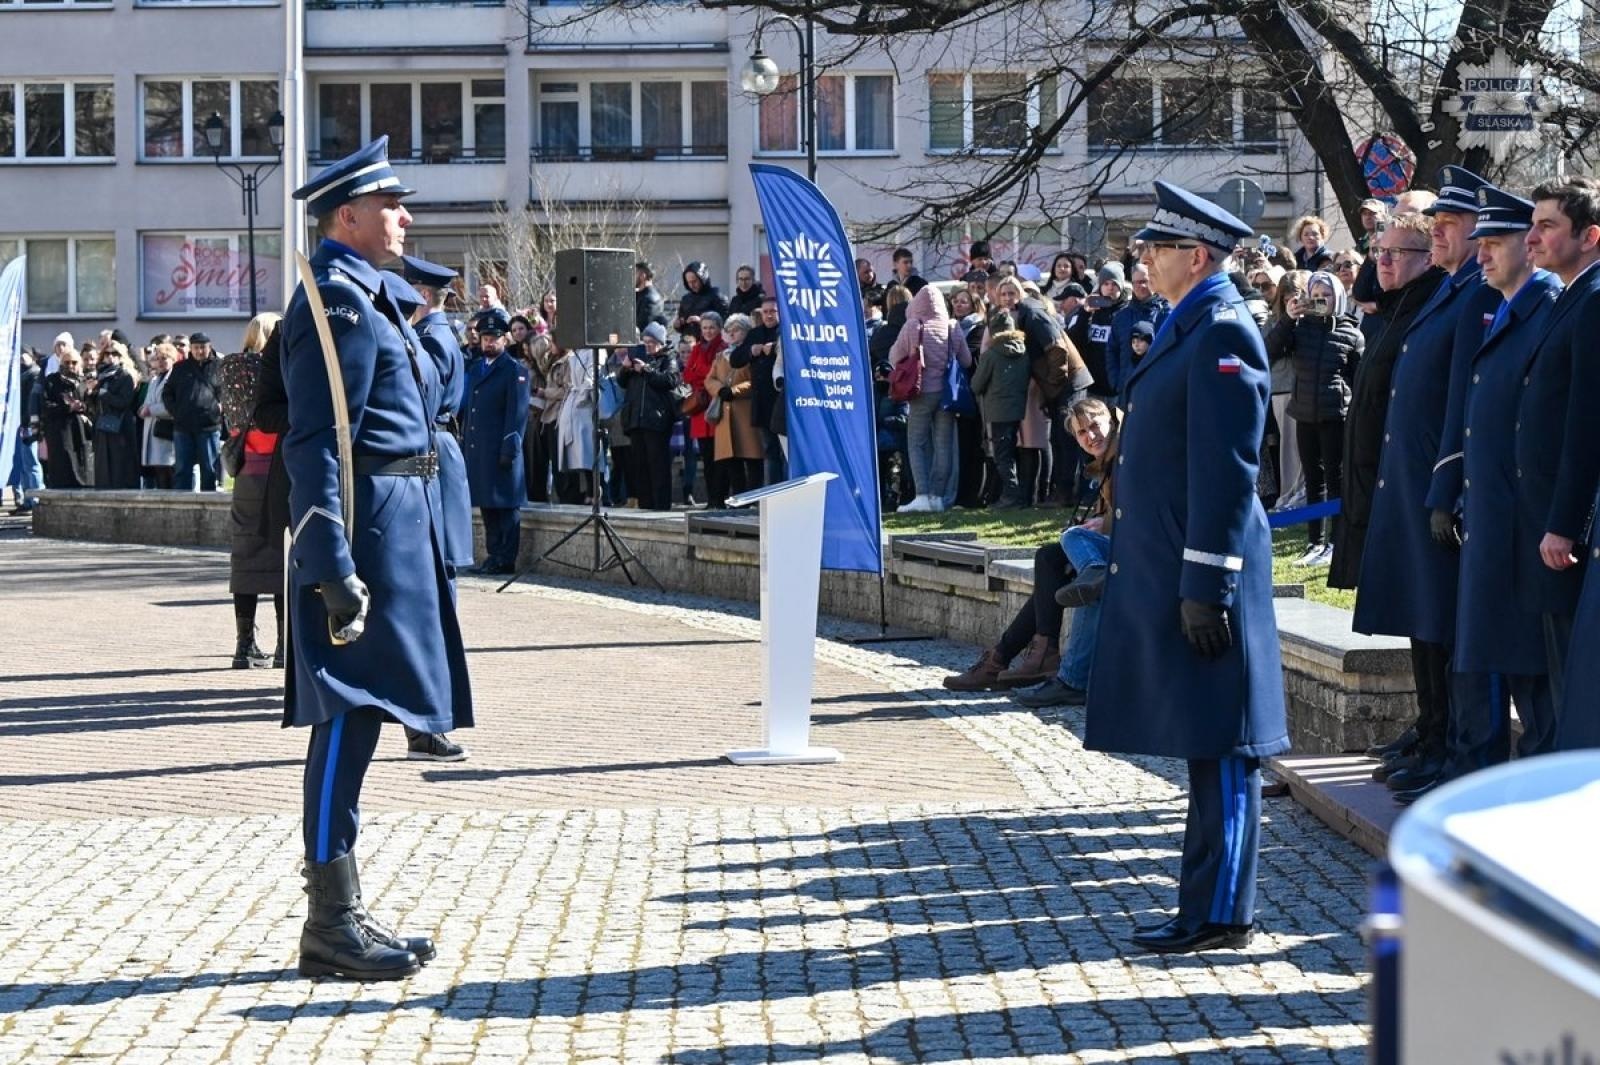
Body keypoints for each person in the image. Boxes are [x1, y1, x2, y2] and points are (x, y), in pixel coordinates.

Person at [281, 136, 474, 979]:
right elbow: (317, 441)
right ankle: (331, 922)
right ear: (347, 217)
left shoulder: (371, 295)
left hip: (397, 523)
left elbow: (426, 401)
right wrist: (331, 563)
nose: (405, 218)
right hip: (364, 533)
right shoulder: (339, 303)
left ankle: (342, 912)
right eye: (390, 205)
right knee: (349, 713)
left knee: (363, 715)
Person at [1087, 182, 1288, 954]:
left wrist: (1208, 582)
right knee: (1205, 741)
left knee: (1225, 744)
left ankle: (1224, 913)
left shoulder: (1223, 330)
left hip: (1212, 571)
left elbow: (1227, 470)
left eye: (1157, 247)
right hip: (1184, 562)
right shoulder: (1191, 321)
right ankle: (1200, 905)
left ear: (1196, 255)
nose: (1144, 257)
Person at [1348, 170, 1483, 798]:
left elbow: (1461, 400)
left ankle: (1453, 744)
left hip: (1437, 479)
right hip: (1409, 479)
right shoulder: (1446, 291)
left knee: (1441, 620)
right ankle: (1434, 733)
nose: (1441, 234)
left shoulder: (1470, 292)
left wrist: (1446, 484)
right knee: (1423, 616)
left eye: (1449, 225)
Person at [1424, 185, 1561, 782]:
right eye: (1479, 242)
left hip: (1527, 524)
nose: (1481, 254)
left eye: (1495, 243)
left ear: (1529, 246)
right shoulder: (1506, 308)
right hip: (1493, 516)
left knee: (1534, 676)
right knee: (1494, 653)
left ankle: (1541, 794)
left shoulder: (1549, 310)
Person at [1517, 178, 1600, 737]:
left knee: (1578, 682)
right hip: (1548, 518)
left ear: (1589, 236)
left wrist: (1565, 523)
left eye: (1547, 226)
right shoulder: (1572, 295)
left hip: (1568, 532)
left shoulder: (1594, 300)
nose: (1532, 238)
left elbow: (1586, 422)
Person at [397, 255, 476, 763]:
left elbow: (418, 405)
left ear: (422, 296)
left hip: (431, 456)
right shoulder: (437, 335)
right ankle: (425, 720)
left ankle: (429, 721)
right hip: (436, 453)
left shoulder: (430, 339)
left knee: (434, 601)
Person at [1012, 397, 1122, 708]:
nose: (1091, 436)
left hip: (1142, 550)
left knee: (1073, 547)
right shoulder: (1107, 463)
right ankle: (1013, 654)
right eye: (1082, 432)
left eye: (1095, 426)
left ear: (1111, 421)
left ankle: (1063, 675)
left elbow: (1137, 511)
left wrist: (1104, 523)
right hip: (1121, 548)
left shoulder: (1125, 457)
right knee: (1057, 558)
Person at [1267, 271, 1364, 563]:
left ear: (1338, 297)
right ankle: (1315, 542)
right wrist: (1288, 318)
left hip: (1335, 416)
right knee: (1313, 480)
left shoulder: (1352, 333)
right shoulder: (1300, 327)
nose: (1321, 300)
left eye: (1326, 295)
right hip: (1304, 414)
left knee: (1336, 480)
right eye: (1316, 295)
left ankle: (1336, 542)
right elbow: (1270, 351)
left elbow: (1358, 379)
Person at [889, 283, 970, 513]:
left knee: (916, 443)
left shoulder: (913, 325)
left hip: (920, 392)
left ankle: (922, 495)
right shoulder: (952, 326)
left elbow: (894, 357)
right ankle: (937, 497)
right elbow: (965, 360)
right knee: (944, 445)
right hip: (946, 394)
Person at [463, 307, 530, 574]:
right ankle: (493, 555)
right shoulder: (476, 369)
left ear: (505, 339)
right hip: (480, 448)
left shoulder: (514, 370)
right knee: (487, 504)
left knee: (506, 505)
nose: (489, 343)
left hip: (502, 448)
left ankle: (506, 558)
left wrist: (510, 446)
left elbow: (517, 413)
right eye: (485, 338)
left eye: (494, 338)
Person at [971, 307, 1030, 509]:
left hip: (997, 410)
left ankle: (1011, 496)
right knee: (1012, 453)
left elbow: (976, 385)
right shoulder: (1023, 352)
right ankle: (1016, 495)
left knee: (1002, 456)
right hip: (1017, 409)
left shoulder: (991, 354)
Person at [618, 322, 681, 511]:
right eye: (644, 342)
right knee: (640, 466)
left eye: (651, 342)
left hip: (657, 419)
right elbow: (622, 382)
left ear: (660, 343)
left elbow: (669, 380)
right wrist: (625, 369)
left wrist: (646, 370)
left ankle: (661, 505)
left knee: (658, 464)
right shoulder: (638, 357)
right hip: (636, 419)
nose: (647, 346)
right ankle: (645, 504)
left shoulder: (668, 358)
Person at [728, 296, 786, 486]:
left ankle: (788, 490)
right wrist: (750, 351)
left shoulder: (787, 331)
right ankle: (772, 492)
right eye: (765, 312)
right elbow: (735, 360)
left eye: (773, 311)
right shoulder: (755, 333)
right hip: (762, 401)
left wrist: (776, 348)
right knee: (769, 450)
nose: (768, 315)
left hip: (782, 400)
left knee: (785, 451)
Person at [705, 313, 763, 497]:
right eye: (729, 330)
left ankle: (753, 498)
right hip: (725, 414)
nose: (732, 333)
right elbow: (709, 379)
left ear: (746, 331)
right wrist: (720, 389)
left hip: (746, 411)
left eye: (736, 330)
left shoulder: (751, 353)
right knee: (732, 461)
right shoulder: (721, 356)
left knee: (752, 459)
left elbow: (756, 380)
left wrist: (735, 390)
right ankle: (738, 497)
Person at [163, 331, 223, 491]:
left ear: (209, 347)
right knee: (182, 470)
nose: (199, 351)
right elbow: (167, 393)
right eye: (196, 347)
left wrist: (219, 406)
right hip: (183, 426)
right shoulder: (180, 368)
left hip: (209, 425)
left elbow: (226, 391)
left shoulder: (219, 366)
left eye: (203, 347)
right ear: (191, 348)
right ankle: (182, 502)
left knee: (209, 470)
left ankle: (209, 502)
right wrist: (176, 411)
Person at [41, 346, 92, 488]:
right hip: (59, 431)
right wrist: (68, 407)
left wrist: (82, 406)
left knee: (80, 464)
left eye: (74, 362)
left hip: (79, 431)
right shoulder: (51, 381)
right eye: (67, 362)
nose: (70, 366)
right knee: (62, 467)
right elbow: (45, 406)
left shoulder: (83, 382)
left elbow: (91, 405)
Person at [7, 349, 43, 511]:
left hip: (28, 424)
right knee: (23, 463)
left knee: (32, 462)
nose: (21, 359)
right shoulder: (20, 375)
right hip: (21, 423)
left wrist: (27, 421)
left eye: (24, 355)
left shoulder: (34, 374)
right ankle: (28, 499)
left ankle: (35, 498)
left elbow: (30, 402)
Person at [137, 344, 177, 488]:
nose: (160, 362)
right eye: (158, 359)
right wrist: (142, 409)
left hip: (166, 430)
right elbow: (147, 402)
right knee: (159, 472)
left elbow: (173, 405)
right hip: (152, 430)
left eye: (164, 358)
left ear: (173, 359)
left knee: (169, 471)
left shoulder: (175, 379)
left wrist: (151, 410)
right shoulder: (154, 380)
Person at [673, 261, 727, 339]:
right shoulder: (686, 299)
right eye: (689, 282)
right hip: (688, 342)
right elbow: (682, 323)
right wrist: (678, 324)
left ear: (703, 279)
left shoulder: (717, 296)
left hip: (709, 342)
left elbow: (726, 324)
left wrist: (703, 322)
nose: (691, 285)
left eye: (694, 281)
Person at [635, 261, 666, 334]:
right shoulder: (640, 295)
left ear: (642, 276)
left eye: (635, 274)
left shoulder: (650, 299)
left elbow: (642, 327)